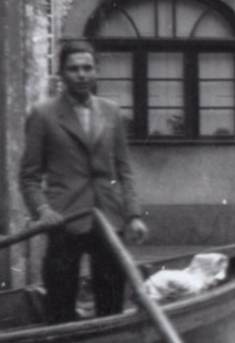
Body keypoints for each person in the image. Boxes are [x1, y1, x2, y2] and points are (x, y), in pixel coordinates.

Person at [19, 40, 149, 324]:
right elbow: (28, 176)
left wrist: (134, 214)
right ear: (61, 75)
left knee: (111, 299)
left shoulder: (111, 111)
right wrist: (43, 212)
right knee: (60, 302)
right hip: (64, 219)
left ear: (97, 71)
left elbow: (124, 169)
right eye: (74, 69)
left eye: (87, 68)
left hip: (108, 218)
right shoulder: (43, 114)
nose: (82, 74)